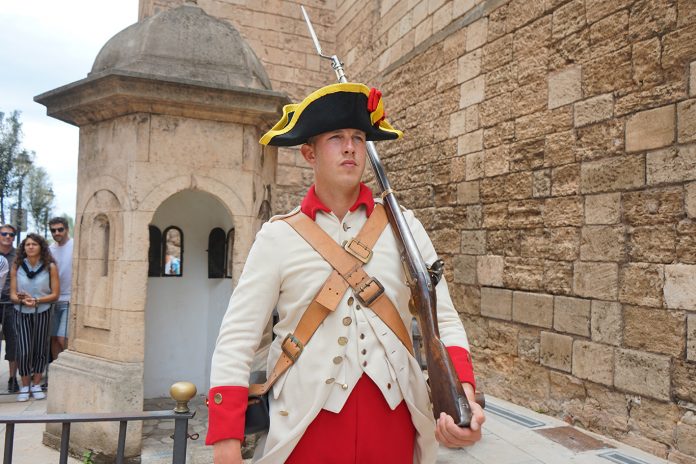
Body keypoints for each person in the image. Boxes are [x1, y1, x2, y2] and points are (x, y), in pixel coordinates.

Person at [207, 83, 484, 463]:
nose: (351, 146)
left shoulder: (406, 227)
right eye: (336, 137)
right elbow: (236, 339)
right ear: (309, 152)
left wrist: (464, 394)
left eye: (357, 136)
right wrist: (226, 442)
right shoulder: (278, 236)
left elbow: (444, 320)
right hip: (307, 426)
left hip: (394, 423)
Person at [9, 233, 59, 402]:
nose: (30, 247)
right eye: (27, 244)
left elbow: (55, 294)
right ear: (24, 247)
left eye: (34, 244)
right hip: (21, 312)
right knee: (23, 351)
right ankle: (24, 386)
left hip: (43, 311)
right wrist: (23, 300)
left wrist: (37, 300)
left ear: (41, 247)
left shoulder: (50, 266)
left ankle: (36, 384)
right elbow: (13, 295)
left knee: (40, 349)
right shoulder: (17, 265)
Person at [48, 217, 73, 360]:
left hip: (70, 299)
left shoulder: (75, 245)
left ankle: (68, 371)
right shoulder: (49, 250)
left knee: (62, 338)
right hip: (53, 300)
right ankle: (55, 373)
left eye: (60, 229)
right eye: (53, 230)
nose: (57, 232)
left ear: (67, 229)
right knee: (53, 339)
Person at [0, 224, 19, 393]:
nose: (7, 236)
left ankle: (13, 379)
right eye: (4, 233)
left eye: (11, 234)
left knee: (13, 340)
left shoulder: (19, 255)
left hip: (10, 303)